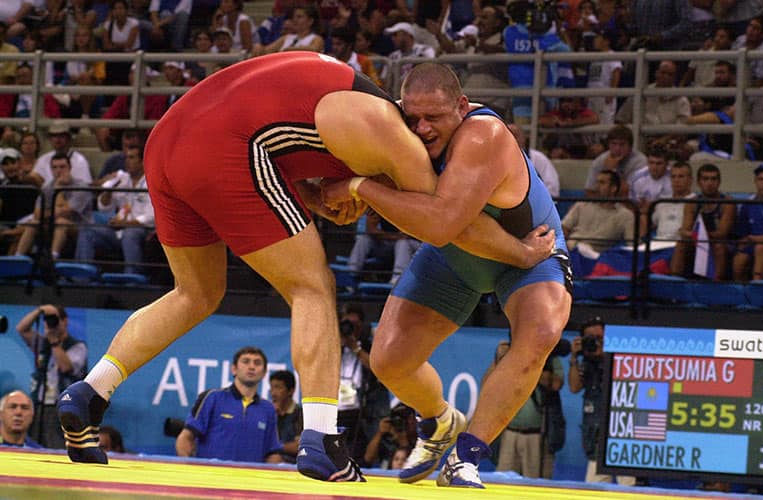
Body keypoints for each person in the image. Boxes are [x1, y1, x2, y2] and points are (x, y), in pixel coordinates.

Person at [56, 53, 548, 483]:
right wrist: (519, 252)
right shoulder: (393, 137)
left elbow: (287, 169)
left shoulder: (337, 101)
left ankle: (89, 394)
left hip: (166, 140)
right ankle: (321, 440)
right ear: (401, 111)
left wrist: (338, 193)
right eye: (417, 120)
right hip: (225, 147)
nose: (422, 131)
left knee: (196, 293)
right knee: (312, 287)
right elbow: (442, 223)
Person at [322, 62, 572, 488]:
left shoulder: (483, 135)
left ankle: (466, 455)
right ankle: (439, 421)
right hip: (462, 254)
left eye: (433, 117)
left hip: (533, 250)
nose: (420, 128)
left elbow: (439, 224)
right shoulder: (395, 128)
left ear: (461, 105)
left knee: (541, 332)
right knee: (388, 361)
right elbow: (449, 228)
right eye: (412, 117)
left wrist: (360, 186)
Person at [175, 346, 283, 463]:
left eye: (257, 363)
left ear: (264, 373)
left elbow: (273, 452)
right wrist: (187, 467)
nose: (251, 367)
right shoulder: (212, 398)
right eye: (245, 362)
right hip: (211, 478)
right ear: (234, 369)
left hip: (249, 479)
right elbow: (186, 437)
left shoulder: (268, 409)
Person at [568, 317, 635, 485]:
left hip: (621, 437)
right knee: (593, 489)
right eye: (590, 338)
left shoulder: (620, 358)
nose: (595, 342)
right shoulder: (586, 362)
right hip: (596, 438)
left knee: (627, 488)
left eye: (599, 338)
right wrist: (574, 358)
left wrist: (606, 354)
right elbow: (574, 387)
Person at [489, 339, 564, 479]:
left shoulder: (549, 357)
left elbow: (556, 384)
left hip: (536, 435)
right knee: (501, 479)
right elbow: (487, 387)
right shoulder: (510, 356)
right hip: (511, 433)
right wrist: (499, 360)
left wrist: (533, 362)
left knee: (533, 482)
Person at [15, 304, 87, 449]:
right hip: (39, 404)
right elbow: (21, 329)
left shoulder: (78, 346)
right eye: (48, 320)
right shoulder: (42, 342)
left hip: (62, 406)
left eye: (55, 319)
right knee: (33, 445)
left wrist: (54, 343)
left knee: (56, 446)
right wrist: (39, 310)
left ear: (65, 321)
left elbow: (66, 367)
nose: (51, 323)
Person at [74, 145, 153, 274]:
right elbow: (104, 207)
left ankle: (132, 277)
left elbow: (151, 218)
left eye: (132, 158)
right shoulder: (123, 179)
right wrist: (108, 190)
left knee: (130, 233)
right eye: (126, 158)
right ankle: (81, 275)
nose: (127, 161)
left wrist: (125, 224)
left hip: (143, 231)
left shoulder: (151, 181)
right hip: (120, 230)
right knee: (87, 230)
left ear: (142, 161)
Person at [336, 302, 389, 464]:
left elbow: (377, 369)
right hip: (336, 410)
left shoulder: (368, 346)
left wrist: (355, 347)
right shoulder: (333, 344)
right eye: (347, 324)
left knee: (359, 458)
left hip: (360, 414)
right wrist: (339, 341)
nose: (350, 328)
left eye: (354, 325)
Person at [15, 152, 94, 260]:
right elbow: (37, 214)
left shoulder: (81, 187)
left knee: (61, 221)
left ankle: (53, 258)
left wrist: (58, 189)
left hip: (81, 229)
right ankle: (18, 258)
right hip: (52, 225)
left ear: (70, 168)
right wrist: (53, 212)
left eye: (62, 167)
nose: (58, 170)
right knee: (33, 223)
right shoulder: (47, 188)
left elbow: (67, 213)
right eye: (55, 167)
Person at [670, 163, 736, 280]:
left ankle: (716, 286)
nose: (710, 183)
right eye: (705, 179)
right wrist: (694, 235)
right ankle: (674, 284)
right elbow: (685, 230)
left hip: (721, 242)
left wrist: (699, 235)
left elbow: (722, 233)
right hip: (698, 240)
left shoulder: (727, 203)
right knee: (681, 244)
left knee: (718, 246)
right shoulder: (692, 203)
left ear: (719, 182)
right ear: (699, 182)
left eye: (713, 179)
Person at [346, 209, 421, 285]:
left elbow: (407, 234)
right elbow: (371, 230)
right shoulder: (380, 205)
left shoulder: (409, 206)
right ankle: (351, 273)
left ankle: (397, 278)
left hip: (414, 247)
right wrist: (394, 236)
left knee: (402, 243)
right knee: (364, 238)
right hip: (389, 244)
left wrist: (387, 236)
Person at [584, 125, 647, 198]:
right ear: (608, 145)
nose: (617, 148)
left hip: (629, 205)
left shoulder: (640, 162)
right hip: (603, 204)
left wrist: (613, 170)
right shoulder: (600, 161)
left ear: (630, 146)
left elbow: (629, 194)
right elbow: (589, 192)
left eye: (622, 144)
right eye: (614, 144)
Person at [33, 121, 92, 186]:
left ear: (68, 138)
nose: (58, 139)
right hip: (49, 193)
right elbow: (35, 177)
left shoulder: (79, 160)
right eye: (54, 136)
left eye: (61, 135)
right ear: (50, 139)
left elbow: (84, 186)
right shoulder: (43, 158)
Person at [363, 402, 417, 469]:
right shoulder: (388, 439)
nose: (406, 423)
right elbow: (368, 458)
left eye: (408, 419)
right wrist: (380, 433)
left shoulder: (421, 438)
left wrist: (404, 443)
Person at [268, 370, 302, 464]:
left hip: (291, 463)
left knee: (275, 460)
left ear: (291, 391)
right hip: (268, 458)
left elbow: (298, 447)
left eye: (278, 388)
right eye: (271, 388)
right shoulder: (268, 412)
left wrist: (275, 446)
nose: (273, 393)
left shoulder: (300, 414)